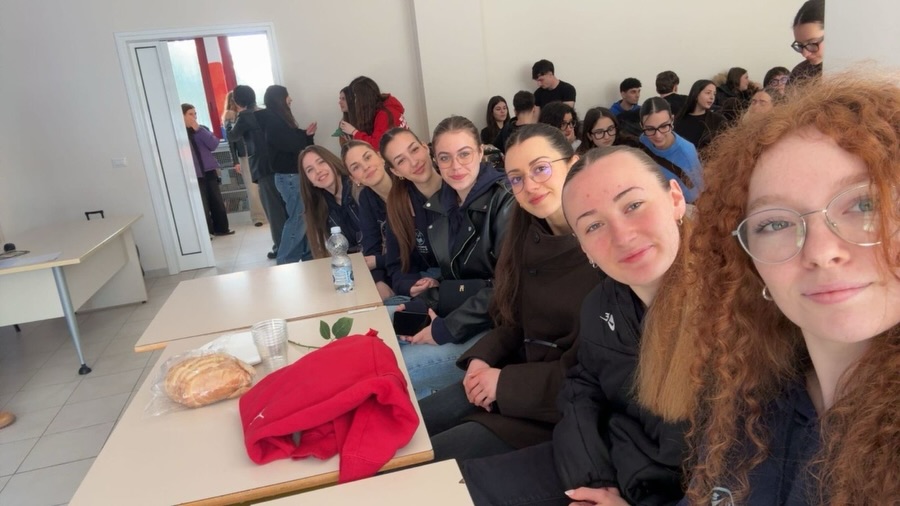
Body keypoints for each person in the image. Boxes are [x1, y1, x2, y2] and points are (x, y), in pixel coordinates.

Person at [682, 73, 900, 505]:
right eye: (776, 223)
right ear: (752, 267)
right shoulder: (747, 402)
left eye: (864, 204)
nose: (821, 252)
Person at [463, 145, 692, 506]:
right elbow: (581, 386)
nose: (622, 235)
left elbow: (755, 473)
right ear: (583, 246)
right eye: (594, 225)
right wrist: (594, 481)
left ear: (675, 199)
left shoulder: (741, 312)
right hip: (605, 462)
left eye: (633, 205)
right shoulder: (601, 305)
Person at [420, 123, 603, 462]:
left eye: (541, 169)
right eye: (517, 178)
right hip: (512, 375)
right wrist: (481, 358)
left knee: (422, 462)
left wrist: (503, 383)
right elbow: (513, 319)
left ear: (573, 164)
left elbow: (597, 373)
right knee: (409, 427)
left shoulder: (606, 249)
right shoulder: (525, 233)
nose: (529, 185)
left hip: (558, 410)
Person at [394, 116, 515, 399]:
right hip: (463, 312)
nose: (456, 166)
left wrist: (445, 329)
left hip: (498, 327)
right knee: (386, 330)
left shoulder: (505, 200)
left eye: (464, 154)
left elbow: (505, 288)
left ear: (481, 152)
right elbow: (459, 278)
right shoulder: (443, 203)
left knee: (394, 369)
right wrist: (427, 302)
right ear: (435, 160)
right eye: (445, 157)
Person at [379, 127, 443, 298]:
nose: (414, 162)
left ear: (425, 147)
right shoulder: (398, 204)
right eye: (401, 161)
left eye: (414, 150)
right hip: (427, 290)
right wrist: (411, 286)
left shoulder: (459, 187)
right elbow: (397, 265)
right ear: (395, 171)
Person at [227, 85, 285, 259]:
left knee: (273, 211)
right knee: (283, 207)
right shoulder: (266, 112)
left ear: (237, 101)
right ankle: (290, 244)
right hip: (279, 163)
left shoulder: (244, 116)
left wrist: (229, 124)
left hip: (262, 167)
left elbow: (232, 137)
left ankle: (280, 248)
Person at [261, 85, 316, 264]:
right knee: (298, 219)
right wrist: (304, 136)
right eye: (287, 96)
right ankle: (285, 261)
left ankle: (307, 256)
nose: (290, 99)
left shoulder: (277, 120)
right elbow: (292, 144)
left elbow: (294, 140)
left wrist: (306, 135)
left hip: (291, 176)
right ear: (280, 98)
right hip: (289, 177)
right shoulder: (274, 121)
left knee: (303, 217)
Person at [341, 140, 396, 301]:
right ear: (354, 179)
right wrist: (379, 281)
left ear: (381, 157)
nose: (365, 167)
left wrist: (379, 261)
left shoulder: (406, 184)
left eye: (367, 157)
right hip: (395, 270)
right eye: (356, 167)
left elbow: (419, 251)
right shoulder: (366, 197)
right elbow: (371, 246)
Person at [297, 145, 361, 259]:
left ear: (332, 162)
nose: (318, 171)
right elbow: (323, 253)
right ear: (309, 181)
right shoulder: (318, 208)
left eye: (321, 162)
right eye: (310, 170)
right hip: (352, 263)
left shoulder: (360, 187)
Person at [182, 103, 233, 236]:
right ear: (182, 116)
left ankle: (221, 229)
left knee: (217, 201)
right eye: (190, 114)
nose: (194, 117)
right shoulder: (178, 132)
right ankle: (207, 233)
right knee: (202, 205)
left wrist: (198, 130)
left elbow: (214, 144)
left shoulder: (201, 130)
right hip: (193, 174)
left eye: (195, 114)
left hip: (209, 170)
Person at [639, 97, 702, 203]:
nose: (658, 135)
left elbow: (696, 200)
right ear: (642, 126)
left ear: (672, 120)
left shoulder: (687, 155)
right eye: (650, 129)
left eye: (664, 126)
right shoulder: (643, 140)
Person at [222, 91, 266, 227]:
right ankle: (258, 217)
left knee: (265, 183)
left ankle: (268, 213)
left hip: (259, 151)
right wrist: (235, 161)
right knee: (252, 186)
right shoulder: (230, 116)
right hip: (244, 154)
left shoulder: (255, 112)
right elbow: (231, 141)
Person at [339, 76, 406, 150]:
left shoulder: (384, 115)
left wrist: (354, 132)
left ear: (363, 99)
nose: (353, 102)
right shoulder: (384, 107)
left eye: (354, 97)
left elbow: (377, 145)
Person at [675, 79, 727, 151]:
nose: (712, 97)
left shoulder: (718, 120)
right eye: (708, 93)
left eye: (714, 94)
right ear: (696, 95)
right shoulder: (679, 120)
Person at [577, 107, 642, 156]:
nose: (607, 137)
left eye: (610, 129)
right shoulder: (582, 158)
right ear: (589, 136)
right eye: (599, 132)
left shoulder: (631, 147)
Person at [790, 0, 825, 82]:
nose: (805, 54)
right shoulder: (799, 74)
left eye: (812, 43)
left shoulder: (852, 73)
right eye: (800, 45)